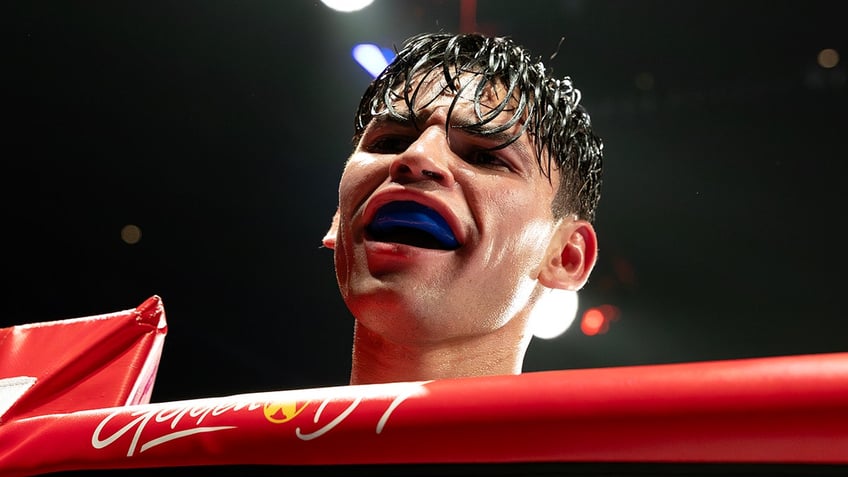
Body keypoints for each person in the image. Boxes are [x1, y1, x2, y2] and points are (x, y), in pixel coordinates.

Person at [322, 31, 604, 385]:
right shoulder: (234, 437)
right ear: (338, 220)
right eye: (390, 141)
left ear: (565, 256)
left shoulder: (664, 442)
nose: (417, 157)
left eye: (485, 157)